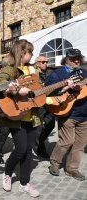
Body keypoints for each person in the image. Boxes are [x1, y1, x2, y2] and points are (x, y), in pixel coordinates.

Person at [0, 39, 40, 197]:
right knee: (20, 149)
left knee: (28, 151)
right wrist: (17, 90)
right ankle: (7, 173)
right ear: (22, 52)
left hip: (32, 116)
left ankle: (24, 183)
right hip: (17, 116)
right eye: (30, 52)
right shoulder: (9, 68)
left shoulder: (33, 70)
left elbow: (38, 88)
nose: (32, 55)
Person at [46, 48, 87, 181]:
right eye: (73, 58)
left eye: (78, 58)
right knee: (67, 141)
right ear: (67, 59)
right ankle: (55, 163)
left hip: (84, 114)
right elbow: (48, 92)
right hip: (67, 112)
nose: (76, 61)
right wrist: (66, 87)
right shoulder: (57, 73)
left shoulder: (84, 72)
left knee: (80, 144)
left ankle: (72, 169)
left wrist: (80, 87)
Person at [34, 56, 55, 159]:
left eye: (46, 61)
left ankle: (39, 141)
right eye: (43, 62)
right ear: (37, 63)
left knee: (51, 124)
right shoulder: (33, 74)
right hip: (38, 104)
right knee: (38, 128)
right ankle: (40, 149)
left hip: (50, 102)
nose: (45, 63)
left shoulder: (51, 73)